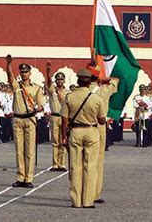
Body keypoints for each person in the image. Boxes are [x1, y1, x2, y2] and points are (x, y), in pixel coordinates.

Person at [61, 68, 106, 208]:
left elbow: (64, 120)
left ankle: (76, 200)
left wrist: (63, 137)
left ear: (78, 81)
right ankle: (87, 201)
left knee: (75, 166)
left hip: (75, 131)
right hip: (91, 131)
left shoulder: (69, 97)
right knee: (90, 166)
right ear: (89, 82)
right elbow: (102, 120)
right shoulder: (96, 99)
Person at [6, 55, 45, 188]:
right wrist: (8, 64)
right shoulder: (17, 86)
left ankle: (29, 178)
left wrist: (35, 109)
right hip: (17, 119)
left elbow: (41, 105)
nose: (23, 74)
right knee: (19, 150)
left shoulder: (37, 88)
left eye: (26, 72)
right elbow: (10, 77)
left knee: (29, 151)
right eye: (21, 72)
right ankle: (20, 177)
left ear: (30, 73)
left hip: (29, 119)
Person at [86, 63, 118, 205]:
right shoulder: (104, 90)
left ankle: (83, 192)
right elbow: (116, 80)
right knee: (97, 161)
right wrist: (104, 79)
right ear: (97, 78)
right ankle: (94, 194)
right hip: (98, 126)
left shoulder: (77, 92)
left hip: (81, 126)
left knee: (82, 161)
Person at [45, 62, 70, 172]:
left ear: (64, 81)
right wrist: (48, 71)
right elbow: (49, 82)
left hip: (64, 117)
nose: (59, 81)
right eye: (58, 79)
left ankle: (62, 163)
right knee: (55, 141)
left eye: (61, 79)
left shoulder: (68, 92)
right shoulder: (52, 91)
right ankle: (55, 164)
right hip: (54, 117)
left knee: (63, 140)